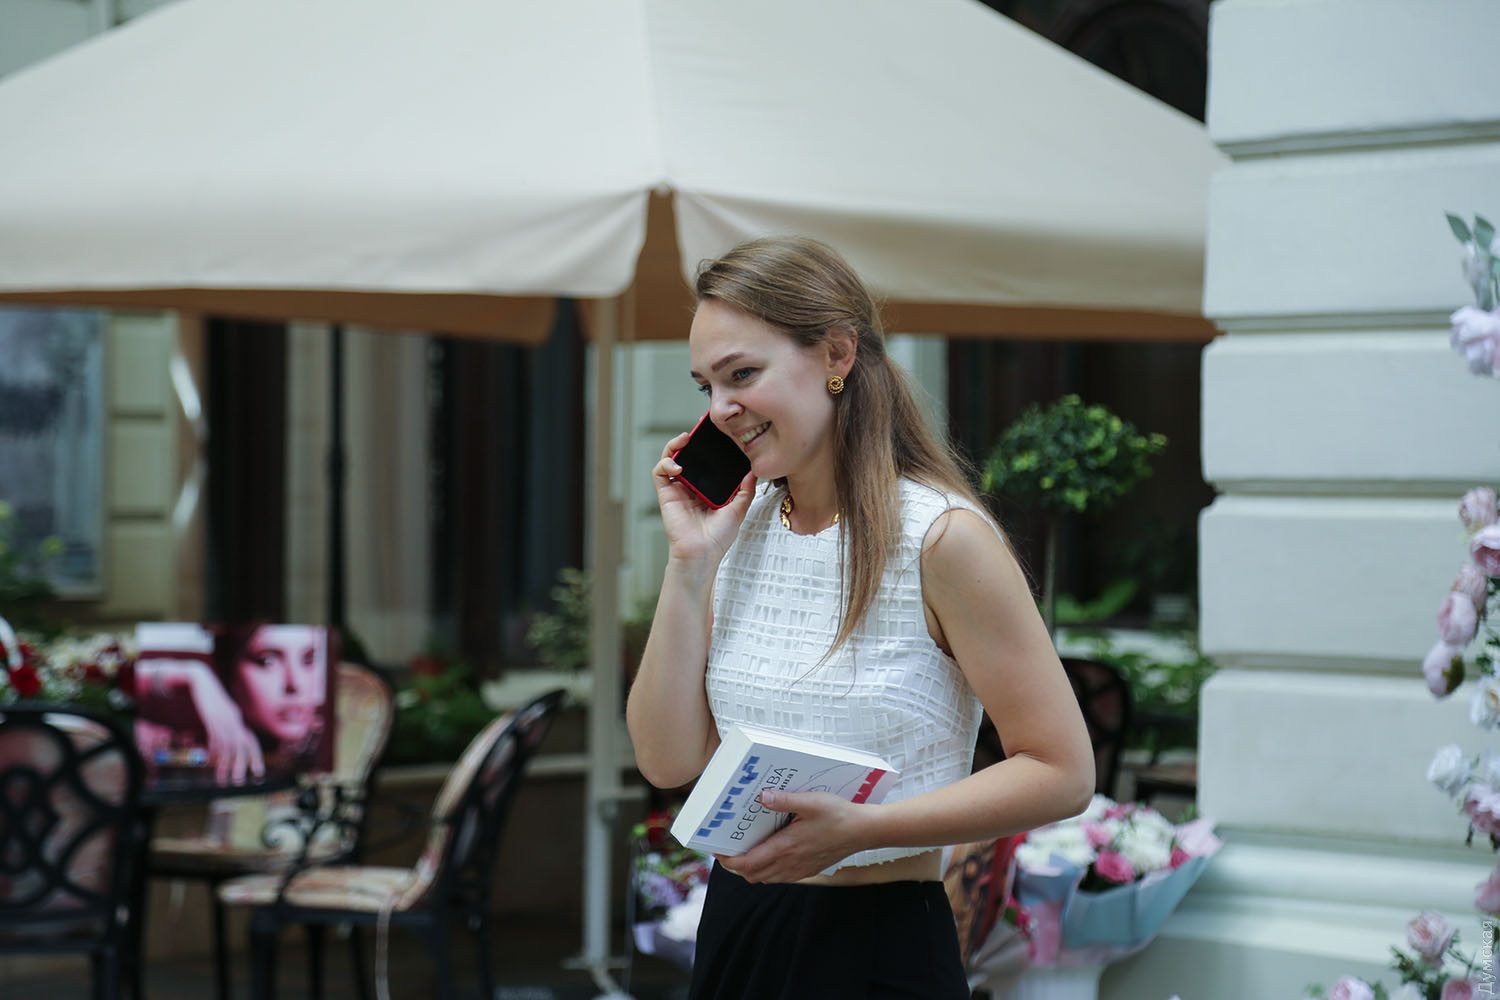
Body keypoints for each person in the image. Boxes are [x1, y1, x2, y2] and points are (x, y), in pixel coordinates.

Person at [626, 236, 1095, 998]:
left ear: (837, 354)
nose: (721, 410)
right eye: (706, 385)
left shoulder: (942, 539)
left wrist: (865, 829)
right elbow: (666, 760)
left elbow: (1063, 772)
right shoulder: (737, 532)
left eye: (742, 374)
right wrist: (688, 566)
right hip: (739, 932)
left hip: (879, 944)